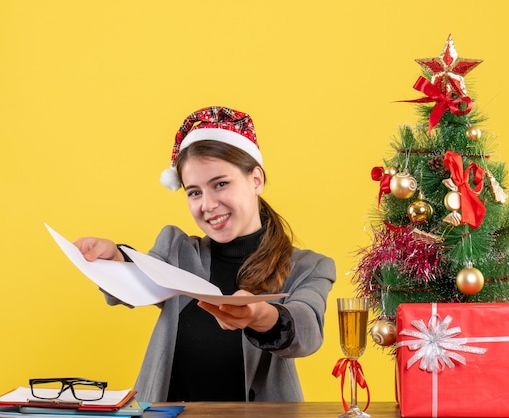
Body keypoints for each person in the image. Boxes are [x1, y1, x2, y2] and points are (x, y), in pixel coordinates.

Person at [74, 106, 336, 403]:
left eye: (221, 184)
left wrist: (259, 315)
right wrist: (116, 260)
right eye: (194, 192)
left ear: (256, 180)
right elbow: (143, 280)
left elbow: (307, 329)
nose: (208, 205)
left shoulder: (308, 267)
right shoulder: (178, 250)